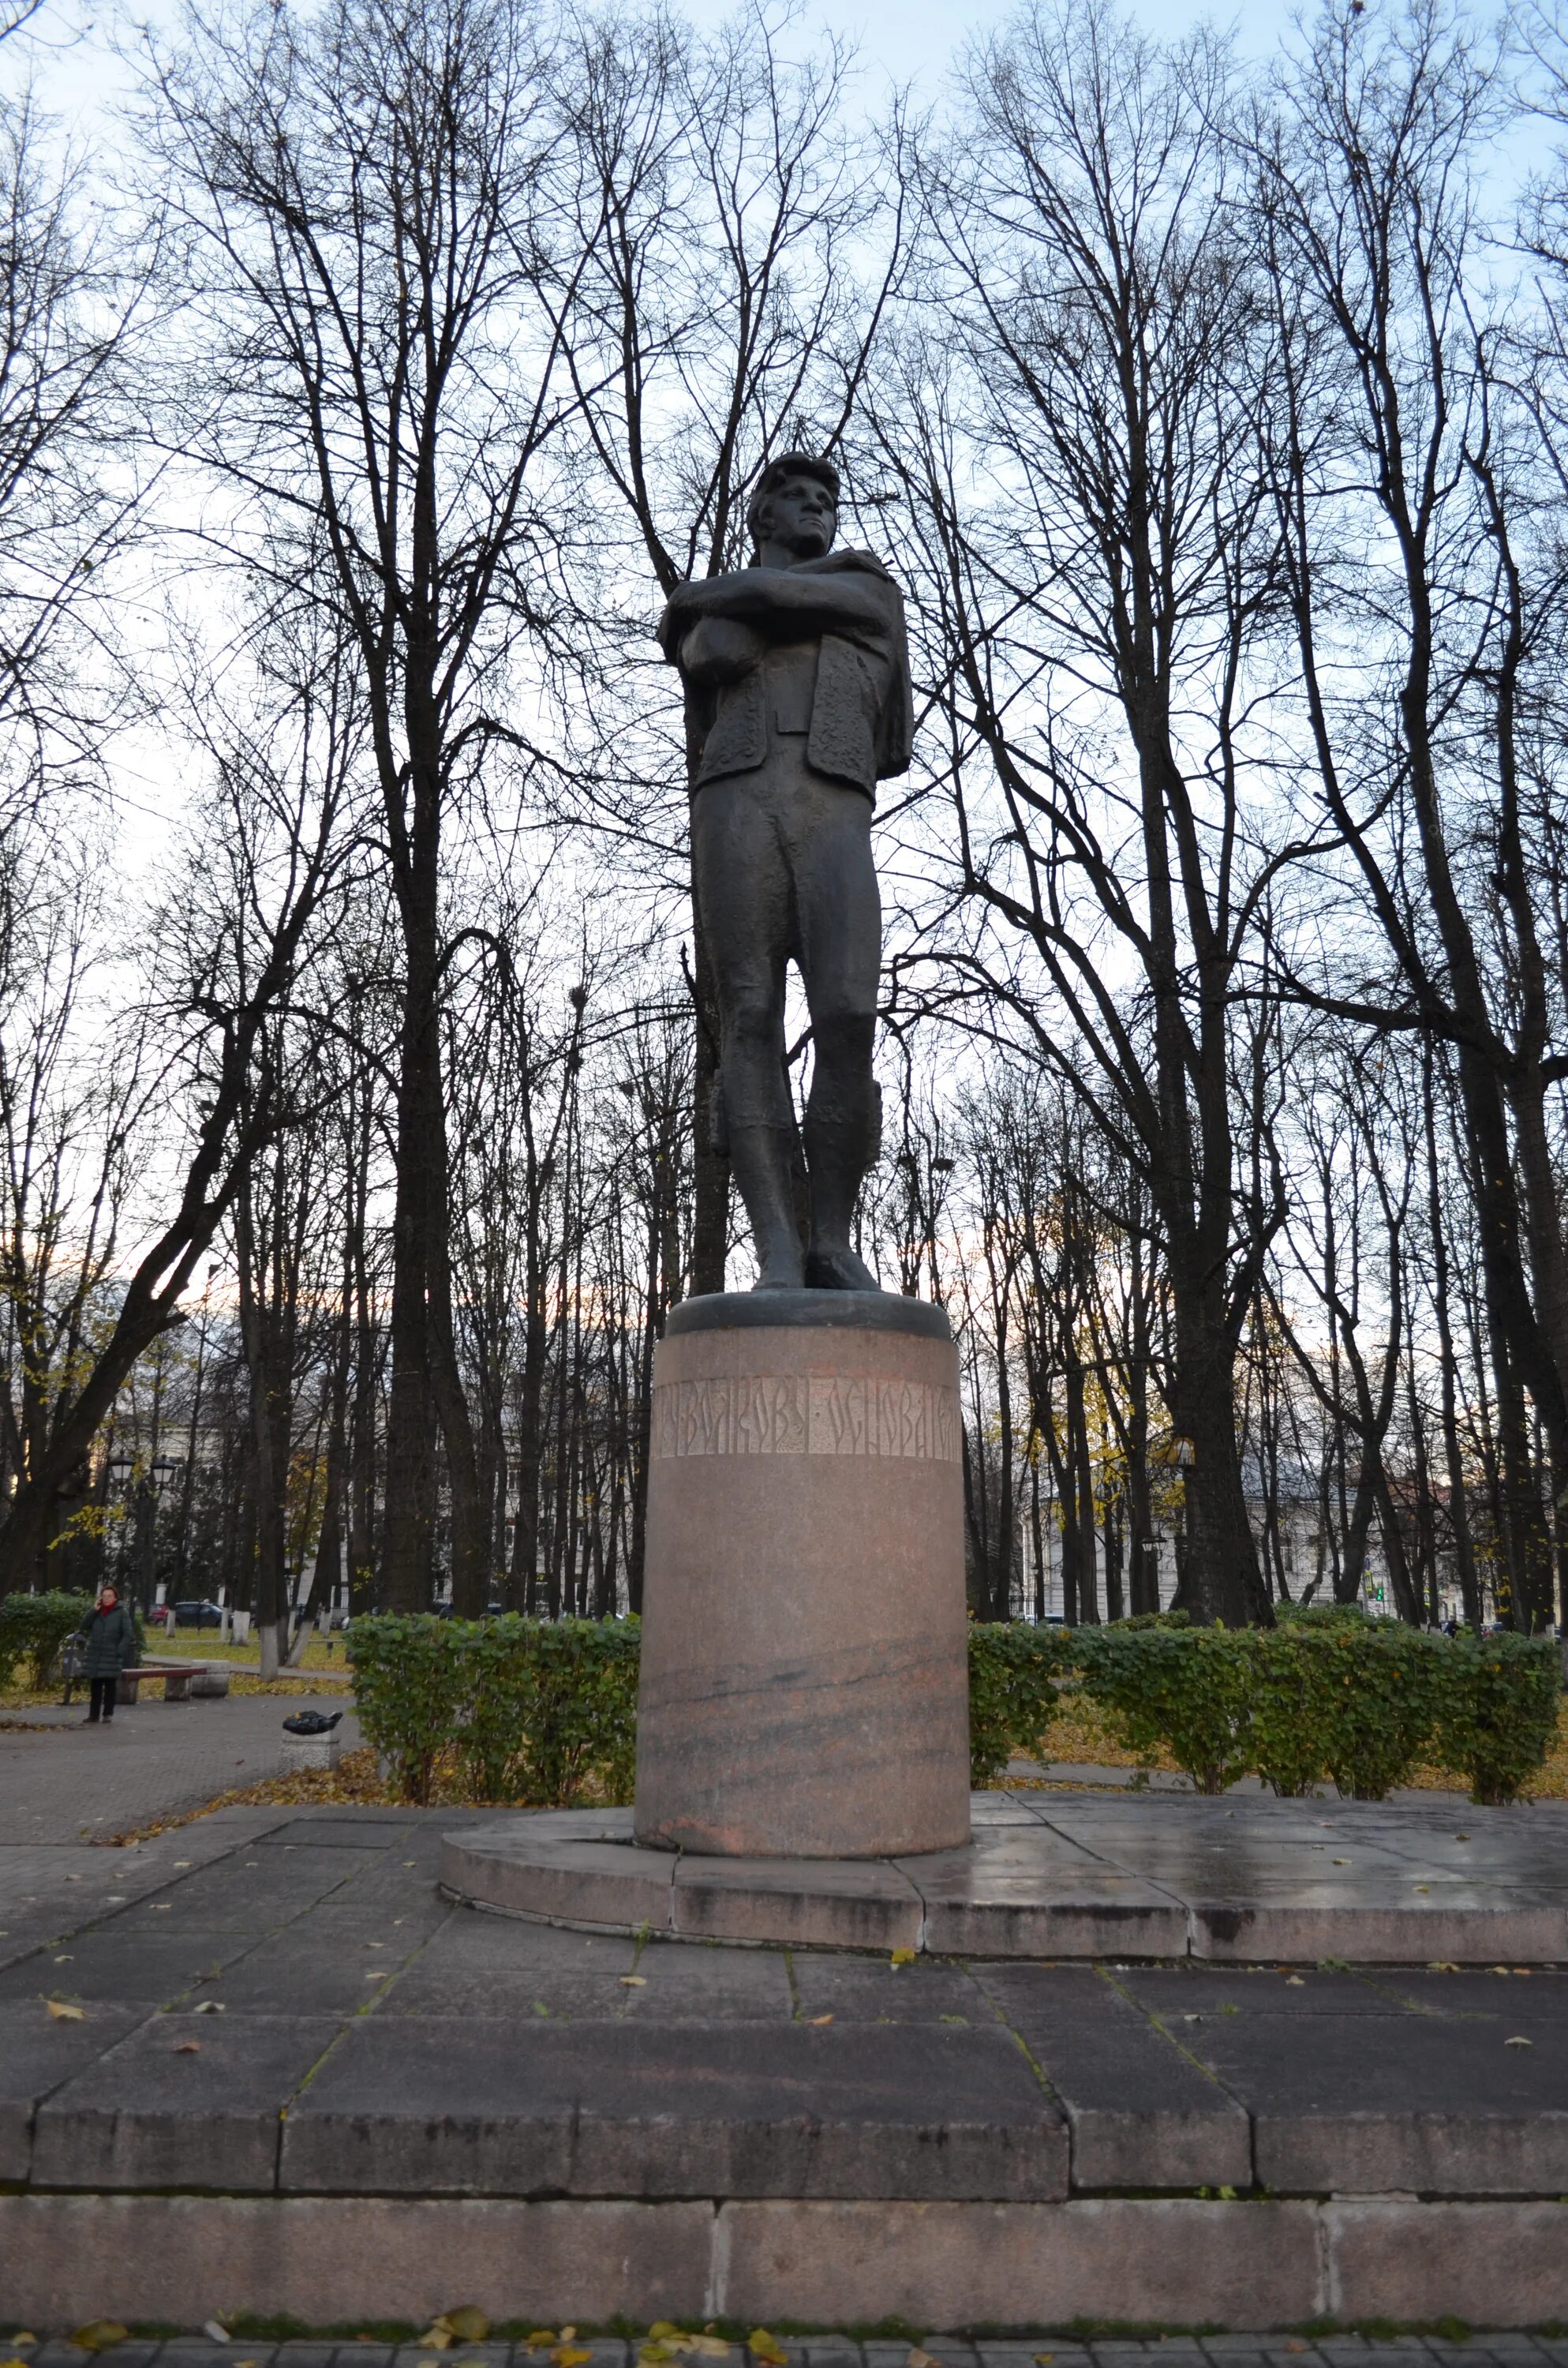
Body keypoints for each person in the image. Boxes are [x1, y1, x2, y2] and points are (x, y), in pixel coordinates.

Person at [658, 452, 914, 1291]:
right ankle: (775, 1245)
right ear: (760, 517)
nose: (816, 510)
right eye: (795, 499)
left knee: (847, 1013)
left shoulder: (869, 589)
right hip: (737, 800)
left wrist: (714, 593)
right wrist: (727, 604)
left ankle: (832, 1241)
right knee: (749, 1016)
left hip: (835, 808)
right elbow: (708, 653)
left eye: (826, 501)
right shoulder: (727, 609)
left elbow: (766, 607)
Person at [77, 1584, 137, 1724]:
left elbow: (128, 1634)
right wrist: (93, 1610)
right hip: (96, 1655)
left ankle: (108, 1714)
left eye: (109, 1596)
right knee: (95, 1687)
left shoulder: (122, 1613)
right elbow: (83, 1626)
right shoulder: (97, 1612)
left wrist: (119, 1650)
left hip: (112, 1654)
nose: (106, 1599)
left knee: (110, 1686)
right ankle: (93, 1715)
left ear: (115, 1598)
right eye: (104, 1596)